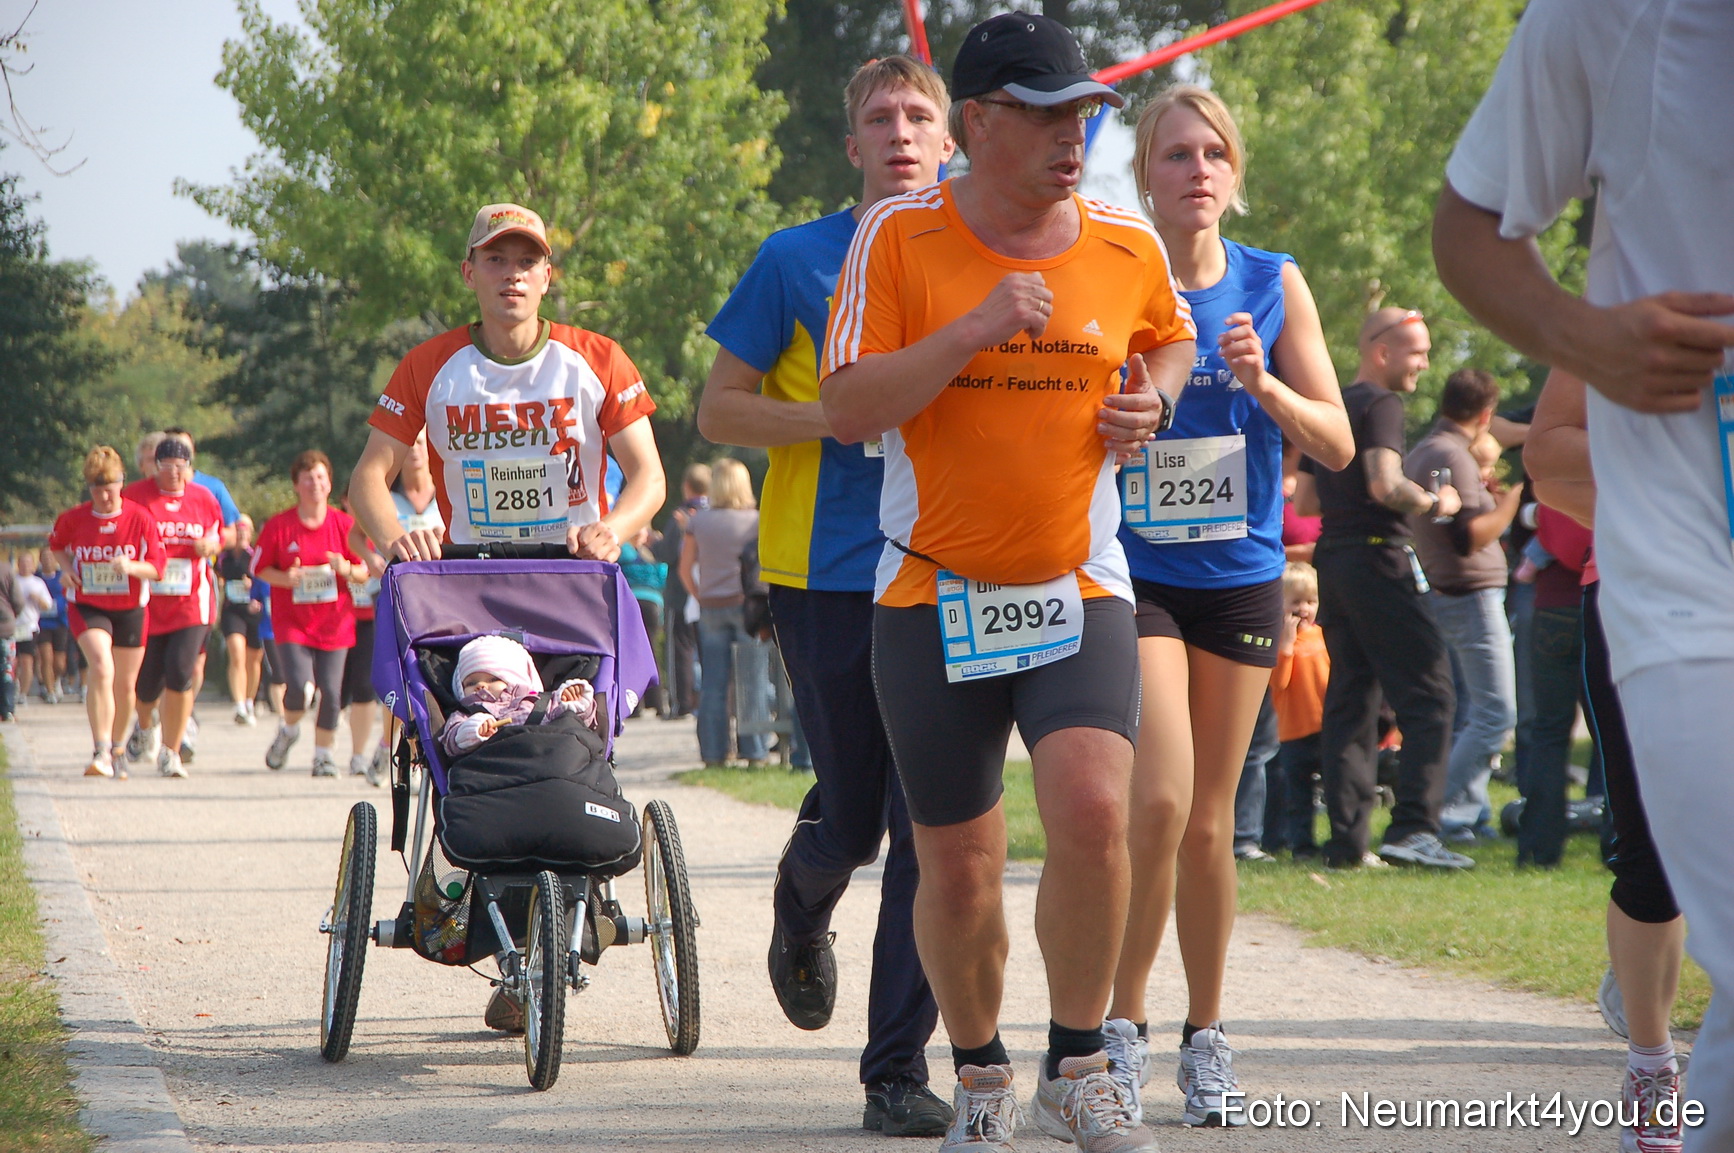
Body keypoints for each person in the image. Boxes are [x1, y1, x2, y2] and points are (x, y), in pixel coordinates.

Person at [819, 15, 1192, 1151]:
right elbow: (848, 406)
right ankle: (980, 1072)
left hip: (1079, 580)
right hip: (930, 593)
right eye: (1044, 114)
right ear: (977, 122)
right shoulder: (898, 237)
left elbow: (1168, 336)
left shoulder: (1125, 240)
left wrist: (1155, 399)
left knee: (1094, 811)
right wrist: (976, 327)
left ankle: (1077, 1063)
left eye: (1085, 113)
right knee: (960, 865)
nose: (1074, 136)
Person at [1434, 3, 1734, 1138]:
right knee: (1648, 861)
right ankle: (1652, 1060)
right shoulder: (1615, 20)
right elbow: (1468, 226)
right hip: (1680, 576)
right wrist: (1591, 342)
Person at [698, 52, 954, 1136]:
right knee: (852, 821)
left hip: (947, 566)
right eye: (880, 118)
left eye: (919, 116)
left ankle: (894, 1070)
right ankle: (801, 909)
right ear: (852, 144)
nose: (900, 133)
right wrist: (837, 414)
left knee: (931, 830)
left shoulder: (982, 259)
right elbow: (718, 410)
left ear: (950, 140)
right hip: (826, 571)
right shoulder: (795, 258)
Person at [1094, 83, 1352, 1127]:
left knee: (1209, 821)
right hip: (1139, 574)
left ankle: (1206, 1038)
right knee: (1157, 802)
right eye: (1175, 154)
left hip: (1241, 576)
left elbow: (1337, 443)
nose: (1196, 170)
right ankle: (1117, 1030)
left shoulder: (1272, 281)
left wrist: (1263, 385)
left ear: (1234, 174)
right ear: (1146, 177)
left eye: (1213, 154)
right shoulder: (1114, 273)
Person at [1524, 367, 1689, 1150]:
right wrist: (1677, 470)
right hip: (1637, 591)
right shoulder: (1625, 306)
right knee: (1654, 849)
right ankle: (1652, 1065)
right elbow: (1547, 452)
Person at [347, 202, 664, 569]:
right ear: (468, 273)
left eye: (527, 262)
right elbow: (368, 476)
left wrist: (611, 531)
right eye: (496, 260)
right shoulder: (426, 365)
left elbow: (649, 476)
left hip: (575, 572)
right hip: (470, 578)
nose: (513, 275)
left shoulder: (601, 358)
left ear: (546, 278)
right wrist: (396, 541)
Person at [1292, 309, 1472, 871]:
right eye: (1417, 351)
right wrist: (1436, 502)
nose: (1425, 363)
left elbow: (1305, 502)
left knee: (1352, 700)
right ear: (1381, 351)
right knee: (1431, 694)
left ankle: (1346, 844)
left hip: (1335, 561)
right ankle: (1414, 829)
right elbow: (1386, 484)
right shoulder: (1382, 404)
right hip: (1380, 558)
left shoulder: (1329, 405)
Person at [1404, 368, 1523, 842]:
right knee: (1497, 715)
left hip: (1448, 593)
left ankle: (1464, 815)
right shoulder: (1453, 453)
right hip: (1469, 595)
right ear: (1486, 414)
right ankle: (1435, 811)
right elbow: (1468, 536)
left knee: (1471, 711)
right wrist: (1512, 502)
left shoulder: (1426, 448)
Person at [48, 446, 166, 778]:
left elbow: (158, 568)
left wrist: (131, 566)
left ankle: (117, 748)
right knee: (101, 666)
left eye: (110, 488)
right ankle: (100, 749)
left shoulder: (140, 517)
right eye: (96, 489)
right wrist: (66, 570)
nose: (104, 496)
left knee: (126, 685)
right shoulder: (74, 518)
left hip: (130, 607)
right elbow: (56, 545)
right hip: (88, 603)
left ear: (122, 482)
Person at [254, 450, 365, 777]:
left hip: (335, 623)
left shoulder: (345, 525)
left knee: (331, 692)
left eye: (320, 477)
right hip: (293, 624)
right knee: (300, 687)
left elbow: (364, 571)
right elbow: (259, 568)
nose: (315, 484)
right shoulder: (280, 526)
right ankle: (288, 731)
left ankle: (323, 756)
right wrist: (285, 578)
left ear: (329, 483)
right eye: (307, 479)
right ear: (296, 485)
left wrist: (345, 568)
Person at [121, 436, 223, 779]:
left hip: (191, 603)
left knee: (180, 672)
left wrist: (210, 545)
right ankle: (145, 725)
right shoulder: (136, 496)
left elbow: (218, 535)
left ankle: (171, 751)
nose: (175, 473)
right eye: (168, 466)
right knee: (146, 685)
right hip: (147, 603)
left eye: (182, 467)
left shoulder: (203, 498)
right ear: (155, 466)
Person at [679, 458, 769, 768]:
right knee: (752, 681)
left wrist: (700, 595)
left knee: (713, 684)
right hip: (747, 607)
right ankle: (755, 751)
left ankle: (714, 753)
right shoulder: (756, 520)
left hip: (711, 607)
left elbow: (684, 569)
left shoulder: (699, 522)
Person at [440, 634, 600, 756]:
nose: (480, 686)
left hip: (548, 760)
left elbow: (580, 724)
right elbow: (450, 743)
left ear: (516, 679)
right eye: (470, 683)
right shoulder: (464, 715)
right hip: (494, 770)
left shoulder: (543, 703)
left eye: (493, 679)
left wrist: (577, 703)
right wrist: (469, 732)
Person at [1270, 562, 1327, 858]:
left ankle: (1341, 841)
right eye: (1295, 602)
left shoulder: (1323, 636)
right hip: (1293, 732)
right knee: (1298, 795)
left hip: (1327, 727)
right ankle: (1301, 845)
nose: (1303, 609)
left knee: (1338, 787)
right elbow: (1278, 683)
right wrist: (1287, 645)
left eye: (1310, 602)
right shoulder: (1278, 642)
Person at [655, 463, 710, 719]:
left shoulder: (682, 516)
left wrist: (652, 543)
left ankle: (682, 703)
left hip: (681, 591)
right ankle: (712, 702)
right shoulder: (715, 513)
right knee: (710, 650)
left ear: (686, 487)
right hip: (712, 592)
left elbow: (667, 553)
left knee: (680, 648)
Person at [617, 525, 669, 717]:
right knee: (652, 652)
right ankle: (657, 704)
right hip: (654, 603)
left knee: (631, 653)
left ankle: (635, 705)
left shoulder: (622, 550)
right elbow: (663, 577)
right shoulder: (653, 554)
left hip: (631, 603)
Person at [217, 514, 262, 725]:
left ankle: (250, 700)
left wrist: (253, 586)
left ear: (250, 534)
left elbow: (266, 579)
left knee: (253, 660)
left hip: (253, 611)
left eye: (245, 530)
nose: (242, 533)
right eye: (238, 529)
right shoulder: (223, 557)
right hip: (232, 610)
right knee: (237, 654)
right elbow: (216, 574)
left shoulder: (254, 556)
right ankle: (239, 706)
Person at [9, 551, 53, 708]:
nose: (25, 566)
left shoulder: (38, 583)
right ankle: (12, 689)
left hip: (29, 627)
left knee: (27, 661)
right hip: (11, 627)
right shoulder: (12, 581)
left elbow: (48, 605)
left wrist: (37, 599)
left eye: (28, 563)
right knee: (12, 662)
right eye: (22, 563)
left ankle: (23, 694)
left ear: (33, 565)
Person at [34, 548, 70, 704]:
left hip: (60, 622)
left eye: (50, 557)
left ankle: (56, 681)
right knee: (46, 657)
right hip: (42, 623)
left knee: (59, 662)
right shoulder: (36, 578)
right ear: (40, 560)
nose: (48, 560)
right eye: (45, 557)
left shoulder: (63, 576)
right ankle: (49, 691)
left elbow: (69, 595)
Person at [0, 558, 23, 722]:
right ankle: (7, 710)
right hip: (4, 626)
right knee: (6, 670)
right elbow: (18, 601)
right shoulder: (6, 569)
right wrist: (12, 615)